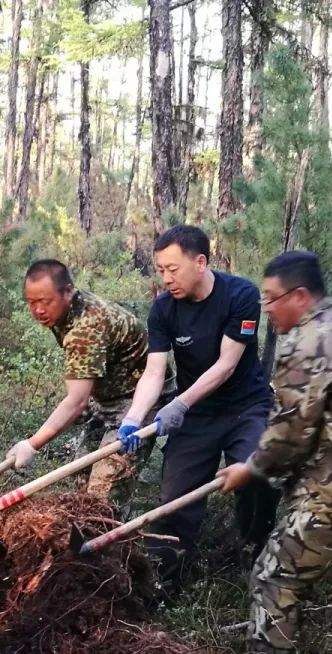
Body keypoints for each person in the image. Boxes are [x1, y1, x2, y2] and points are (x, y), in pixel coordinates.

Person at [216, 251, 332, 654]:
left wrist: (252, 468)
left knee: (271, 578)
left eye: (272, 298)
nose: (267, 309)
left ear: (299, 295)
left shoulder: (306, 342)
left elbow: (290, 433)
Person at [118, 225, 279, 580]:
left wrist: (180, 404)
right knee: (175, 502)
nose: (165, 279)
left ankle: (258, 558)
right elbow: (155, 371)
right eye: (160, 270)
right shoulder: (163, 310)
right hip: (198, 417)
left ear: (201, 262)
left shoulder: (241, 295)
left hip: (247, 407)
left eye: (172, 269)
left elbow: (226, 366)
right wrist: (133, 417)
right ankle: (163, 583)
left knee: (256, 476)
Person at [4, 259, 154, 510]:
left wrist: (32, 444)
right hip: (106, 399)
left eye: (45, 301)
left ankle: (107, 545)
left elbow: (76, 400)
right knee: (81, 482)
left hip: (140, 403)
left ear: (68, 291)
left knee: (101, 497)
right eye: (32, 302)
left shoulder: (86, 327)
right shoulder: (66, 311)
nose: (38, 310)